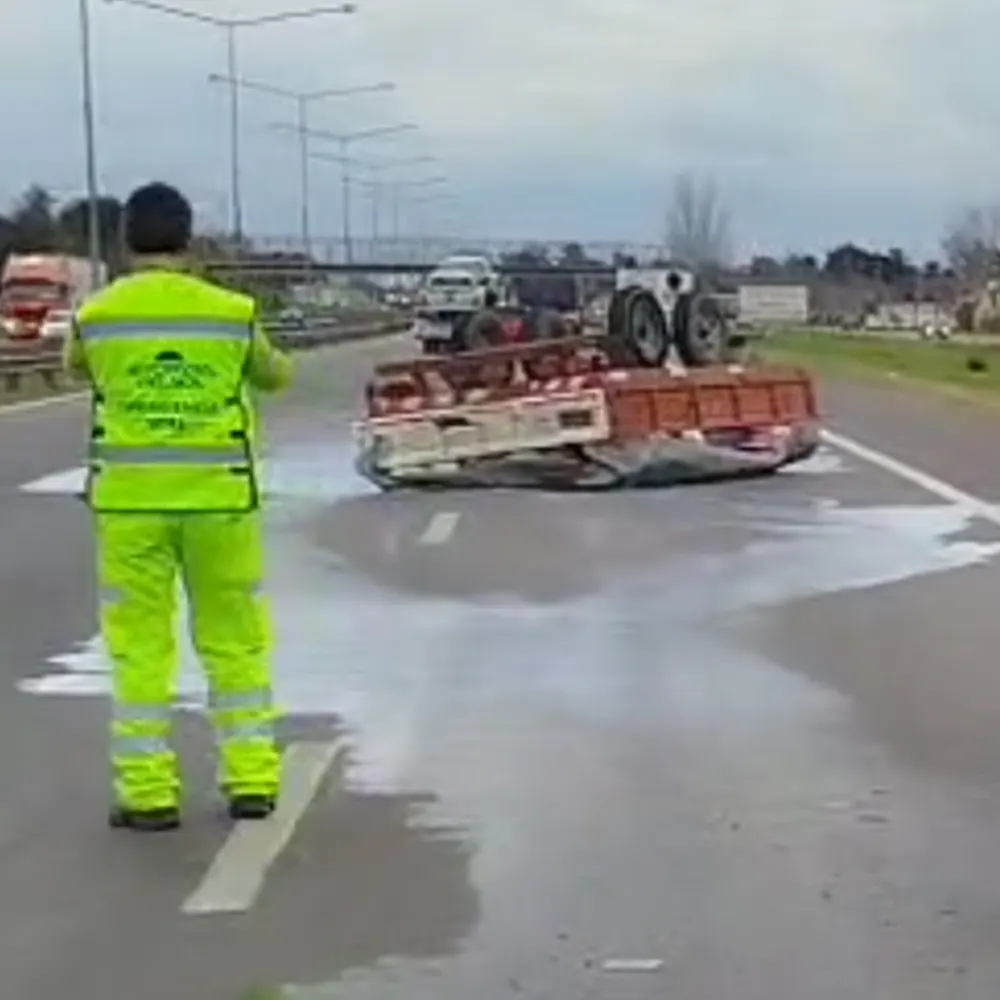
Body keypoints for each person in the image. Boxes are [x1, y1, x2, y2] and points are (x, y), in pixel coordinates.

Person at [65, 181, 293, 832]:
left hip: (131, 507)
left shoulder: (99, 314)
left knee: (140, 648)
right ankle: (252, 782)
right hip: (221, 502)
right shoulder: (231, 311)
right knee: (234, 642)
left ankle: (148, 794)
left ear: (125, 240)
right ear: (188, 240)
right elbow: (277, 375)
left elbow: (77, 368)